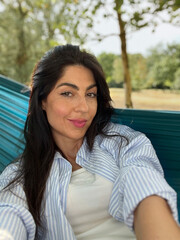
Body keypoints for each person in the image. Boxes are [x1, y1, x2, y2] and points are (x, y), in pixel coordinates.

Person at [0, 44, 179, 240]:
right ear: (42, 100)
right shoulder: (20, 176)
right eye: (67, 93)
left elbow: (146, 192)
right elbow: (9, 216)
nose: (83, 107)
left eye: (90, 94)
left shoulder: (125, 144)